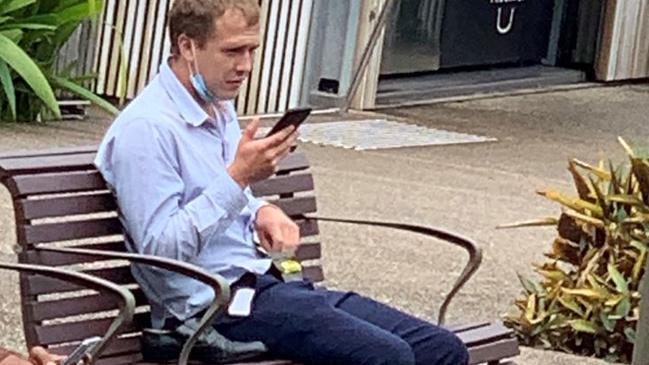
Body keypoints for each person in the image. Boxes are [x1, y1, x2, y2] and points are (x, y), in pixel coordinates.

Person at [95, 0, 469, 364]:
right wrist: (240, 176)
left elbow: (223, 196)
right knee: (388, 356)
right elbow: (160, 254)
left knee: (442, 350)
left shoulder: (217, 105)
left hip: (268, 287)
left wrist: (262, 210)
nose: (246, 66)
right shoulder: (147, 130)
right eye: (233, 51)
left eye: (252, 50)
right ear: (187, 46)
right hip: (212, 312)